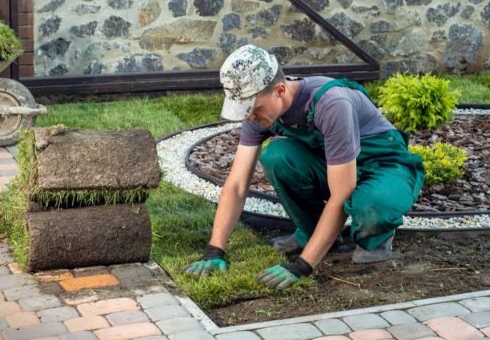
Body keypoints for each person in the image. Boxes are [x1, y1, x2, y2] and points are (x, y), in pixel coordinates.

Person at [182, 45, 425, 289]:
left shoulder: (331, 103)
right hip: (336, 165)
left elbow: (341, 193)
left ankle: (376, 237)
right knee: (278, 156)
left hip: (383, 165)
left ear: (280, 90)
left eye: (254, 109)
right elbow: (236, 186)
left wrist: (303, 265)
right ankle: (312, 234)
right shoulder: (258, 113)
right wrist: (215, 250)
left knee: (370, 205)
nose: (250, 118)